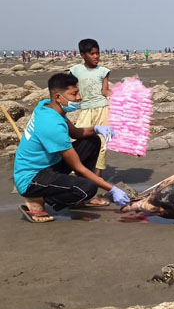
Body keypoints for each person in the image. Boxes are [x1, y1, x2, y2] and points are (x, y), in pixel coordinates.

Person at [13, 73, 131, 222]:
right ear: (58, 97)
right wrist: (112, 189)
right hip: (31, 178)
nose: (79, 97)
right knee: (89, 188)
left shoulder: (47, 106)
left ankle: (78, 195)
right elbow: (79, 167)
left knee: (92, 141)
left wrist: (96, 128)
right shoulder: (51, 125)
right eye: (74, 94)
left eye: (78, 92)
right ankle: (37, 199)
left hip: (49, 166)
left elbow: (75, 133)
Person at [69, 38, 112, 177]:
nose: (96, 57)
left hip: (102, 109)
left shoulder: (103, 71)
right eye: (92, 54)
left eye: (98, 53)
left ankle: (97, 175)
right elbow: (70, 87)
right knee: (79, 139)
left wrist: (125, 93)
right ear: (82, 55)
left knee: (103, 144)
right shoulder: (75, 70)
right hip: (86, 110)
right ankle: (78, 171)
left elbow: (105, 91)